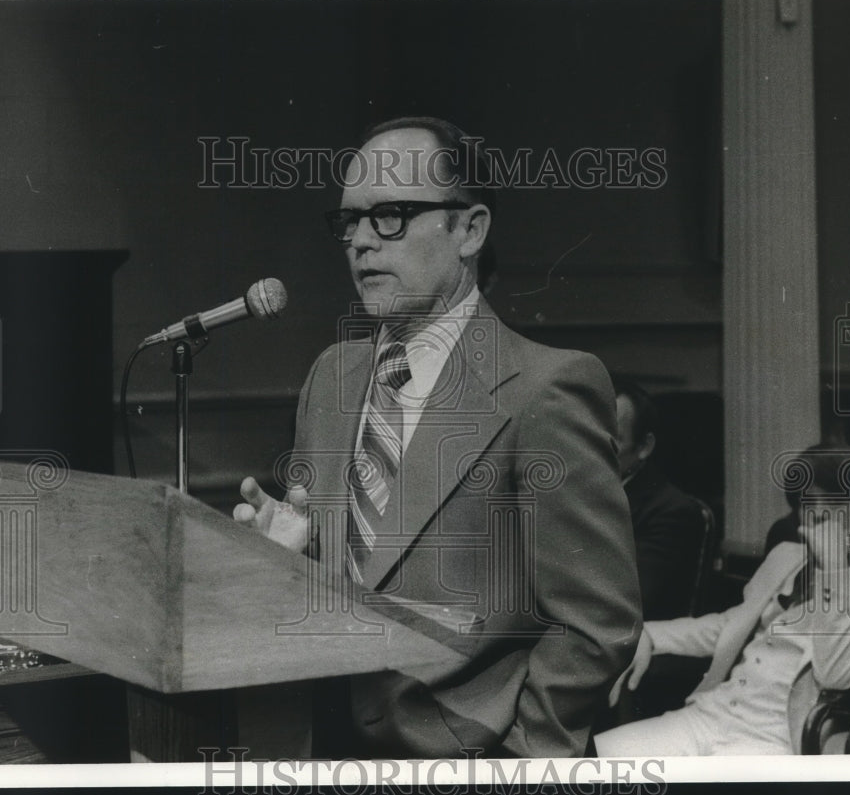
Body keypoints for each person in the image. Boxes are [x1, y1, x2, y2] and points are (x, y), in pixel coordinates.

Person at [233, 116, 642, 758]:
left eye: (390, 215)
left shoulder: (548, 387)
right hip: (328, 749)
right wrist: (280, 562)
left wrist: (516, 760)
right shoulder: (330, 376)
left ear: (469, 230)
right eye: (349, 221)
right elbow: (351, 578)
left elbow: (599, 622)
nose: (361, 241)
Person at [594, 444, 850, 756]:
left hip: (776, 740)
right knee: (599, 761)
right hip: (710, 716)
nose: (818, 513)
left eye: (834, 502)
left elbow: (837, 674)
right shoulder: (787, 557)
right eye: (808, 502)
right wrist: (648, 634)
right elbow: (728, 626)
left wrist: (833, 571)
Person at [613, 377, 708, 621]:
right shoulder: (570, 496)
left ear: (644, 446)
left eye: (612, 439)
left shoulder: (672, 511)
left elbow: (626, 605)